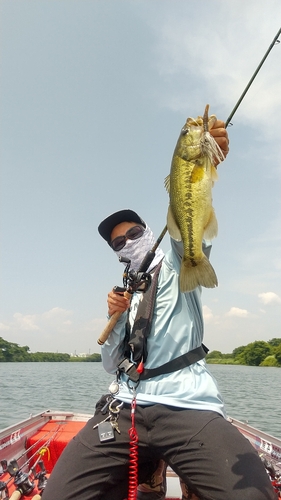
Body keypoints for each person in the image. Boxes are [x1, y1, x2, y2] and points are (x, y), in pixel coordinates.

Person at [42, 119, 277, 500]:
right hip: (125, 406)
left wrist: (208, 164)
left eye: (134, 233)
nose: (128, 242)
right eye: (119, 242)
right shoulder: (124, 294)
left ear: (149, 231)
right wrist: (112, 317)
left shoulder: (177, 262)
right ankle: (147, 471)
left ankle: (160, 470)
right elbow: (109, 362)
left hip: (187, 404)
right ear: (115, 254)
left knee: (252, 496)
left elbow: (189, 223)